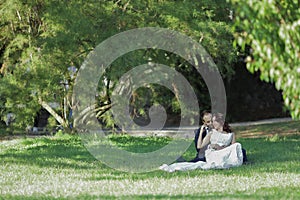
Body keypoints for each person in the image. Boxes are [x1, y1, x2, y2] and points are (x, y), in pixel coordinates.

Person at [159, 113, 245, 172]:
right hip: (213, 153)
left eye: (214, 121)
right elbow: (199, 146)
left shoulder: (231, 134)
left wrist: (221, 147)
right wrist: (200, 132)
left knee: (238, 145)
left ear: (221, 122)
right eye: (212, 121)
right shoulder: (211, 133)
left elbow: (233, 147)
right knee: (199, 162)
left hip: (224, 151)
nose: (212, 123)